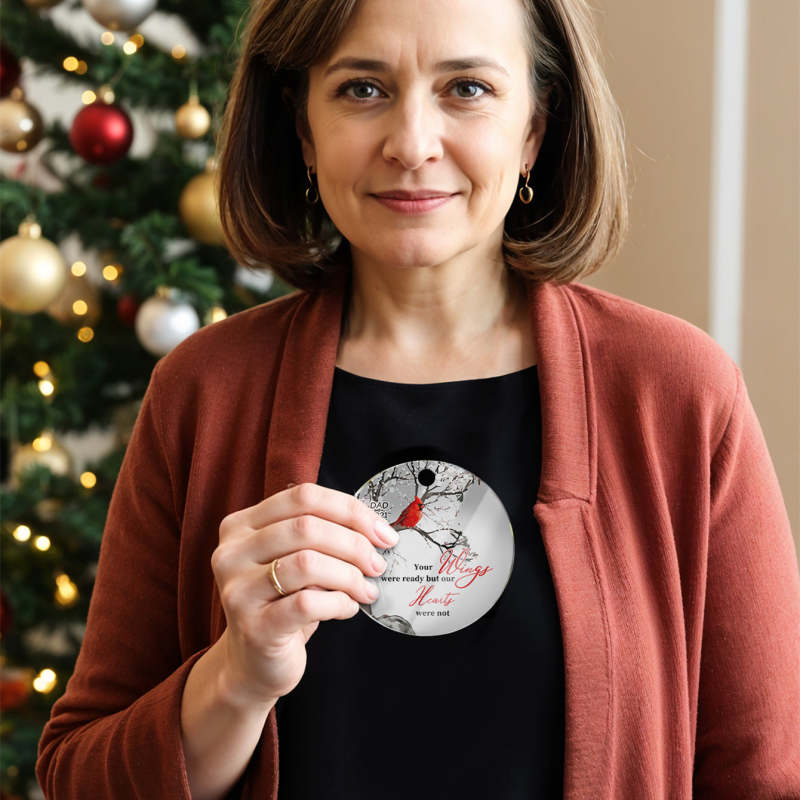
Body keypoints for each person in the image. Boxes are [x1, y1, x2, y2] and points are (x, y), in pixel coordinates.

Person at [36, 0, 800, 797]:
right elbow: (79, 777)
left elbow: (766, 779)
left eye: (467, 88)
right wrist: (235, 676)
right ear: (303, 130)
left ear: (535, 128)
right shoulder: (202, 392)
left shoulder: (677, 393)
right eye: (361, 89)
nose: (411, 143)